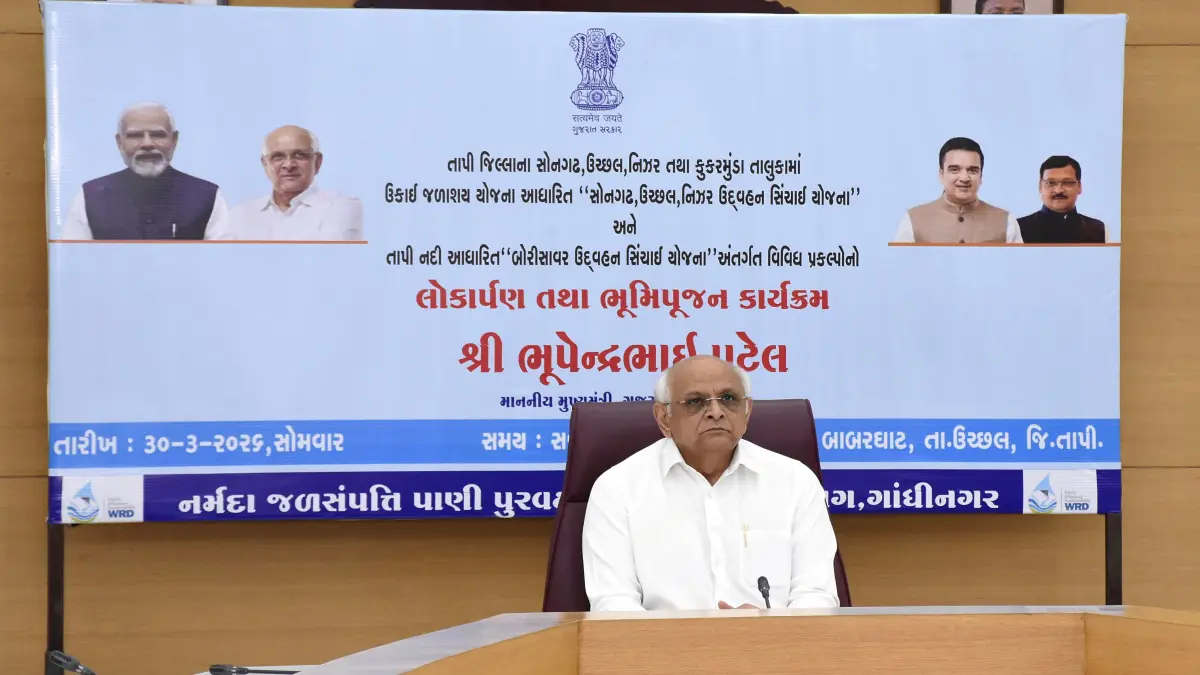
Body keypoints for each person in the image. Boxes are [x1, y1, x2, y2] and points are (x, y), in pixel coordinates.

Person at [581, 355, 840, 611]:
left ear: (747, 410)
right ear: (663, 418)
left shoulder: (795, 481)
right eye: (695, 402)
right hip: (662, 639)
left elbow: (816, 596)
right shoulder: (618, 488)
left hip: (774, 639)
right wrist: (697, 635)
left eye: (728, 399)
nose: (716, 413)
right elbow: (613, 605)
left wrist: (767, 630)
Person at [61, 102, 229, 240]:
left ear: (174, 140)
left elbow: (223, 261)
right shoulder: (91, 196)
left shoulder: (207, 196)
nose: (147, 144)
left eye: (157, 135)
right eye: (135, 136)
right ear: (120, 142)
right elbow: (74, 260)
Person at [218, 126, 363, 241]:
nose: (288, 165)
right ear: (265, 164)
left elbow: (330, 260)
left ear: (317, 162)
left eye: (299, 155)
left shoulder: (341, 207)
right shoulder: (240, 214)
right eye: (278, 157)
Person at [893, 136, 1022, 244]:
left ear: (981, 176)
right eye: (954, 169)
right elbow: (899, 265)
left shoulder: (1006, 221)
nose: (964, 178)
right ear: (941, 174)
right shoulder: (913, 220)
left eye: (972, 170)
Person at [1017, 156, 1107, 243]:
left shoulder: (1098, 230)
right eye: (1050, 183)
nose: (1059, 190)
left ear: (1079, 186)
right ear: (1040, 186)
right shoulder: (1018, 229)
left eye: (1067, 182)